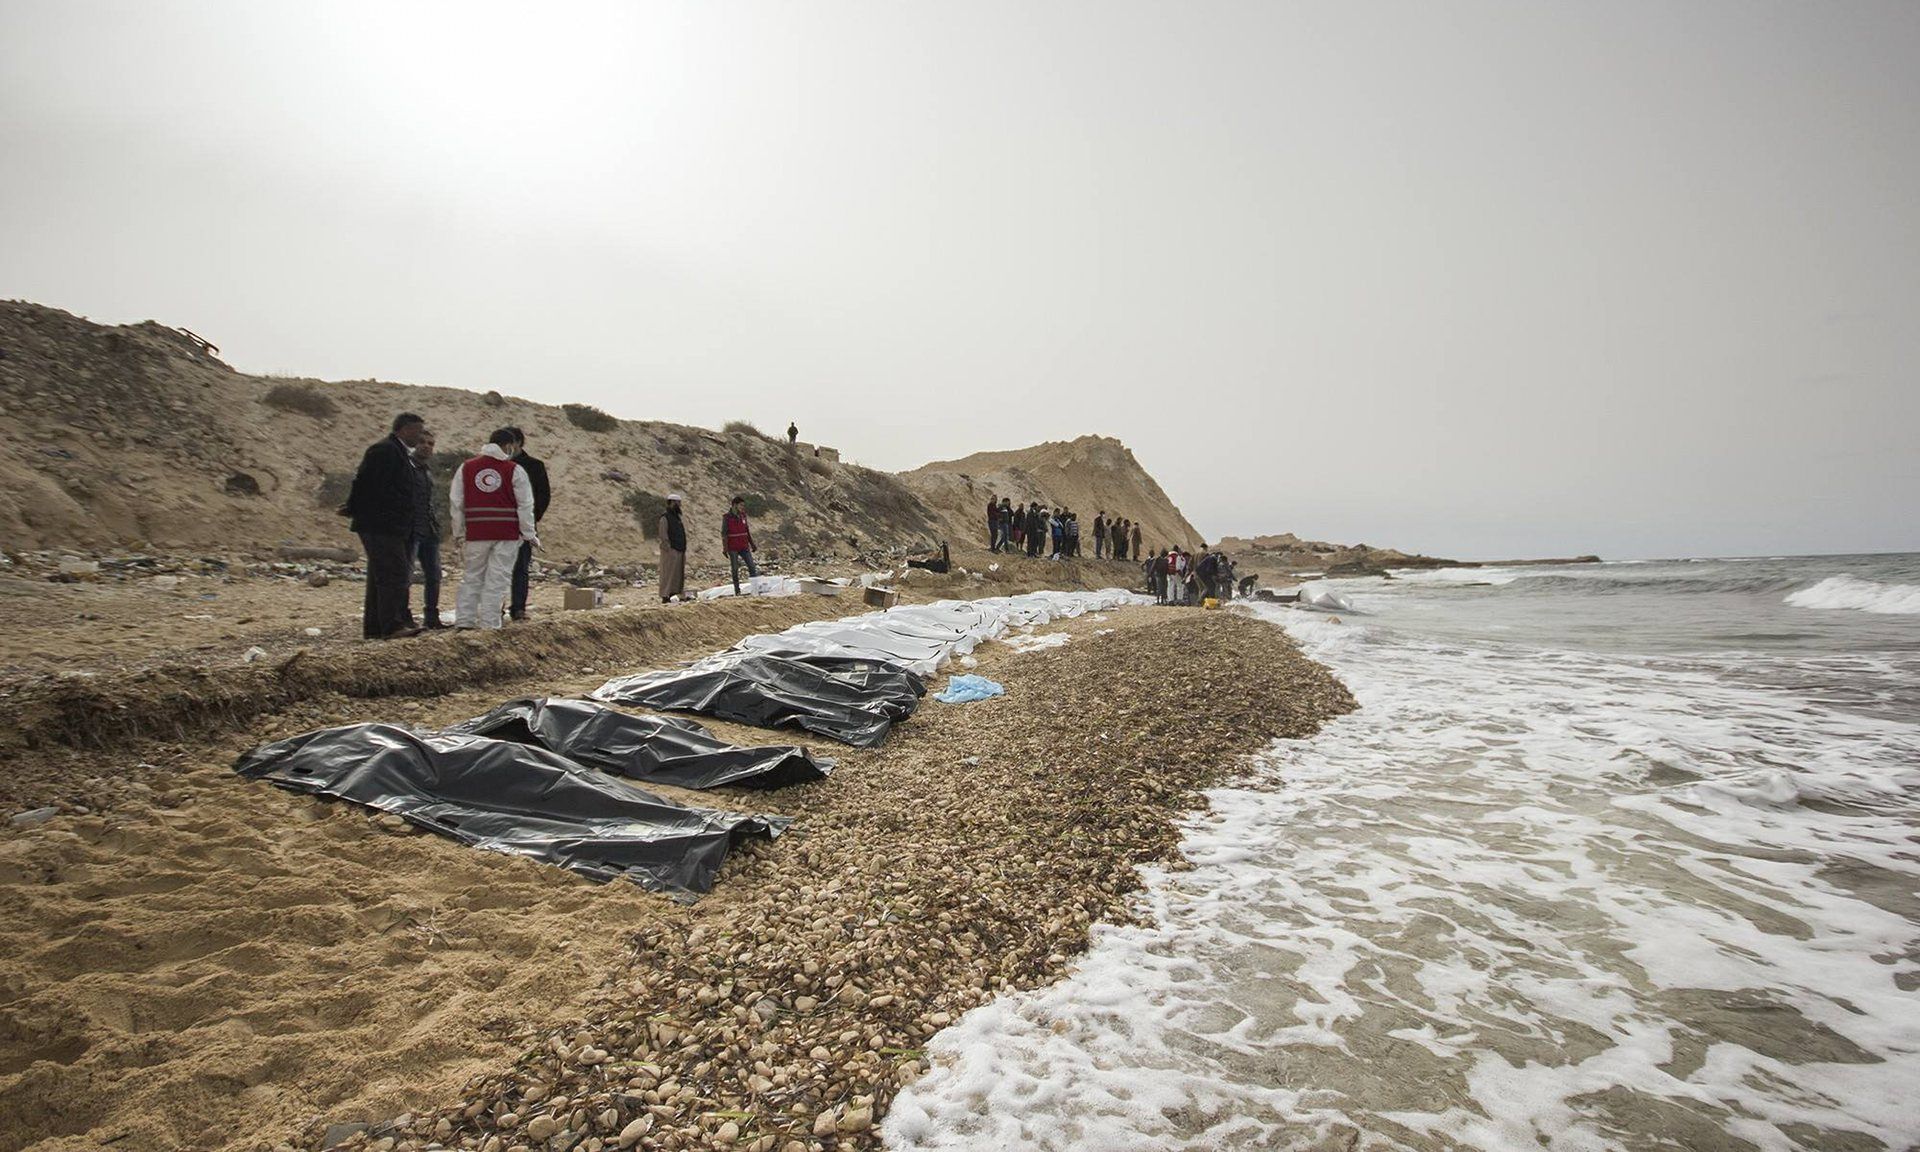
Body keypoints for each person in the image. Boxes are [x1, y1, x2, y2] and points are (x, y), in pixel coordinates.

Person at [344, 412, 427, 639]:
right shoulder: (385, 450)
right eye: (418, 431)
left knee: (380, 575)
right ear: (405, 429)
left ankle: (375, 628)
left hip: (386, 524)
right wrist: (354, 508)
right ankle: (392, 625)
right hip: (382, 525)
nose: (420, 437)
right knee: (394, 573)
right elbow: (364, 483)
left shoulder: (397, 451)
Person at [450, 428, 537, 630]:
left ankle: (464, 621)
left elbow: (456, 503)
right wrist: (529, 533)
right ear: (509, 446)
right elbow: (525, 505)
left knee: (472, 577)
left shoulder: (466, 468)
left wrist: (458, 532)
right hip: (506, 533)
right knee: (497, 580)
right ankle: (490, 624)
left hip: (477, 532)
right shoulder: (514, 470)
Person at [505, 428, 550, 622]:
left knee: (521, 568)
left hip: (524, 525)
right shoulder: (497, 466)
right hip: (500, 524)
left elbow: (543, 495)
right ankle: (494, 609)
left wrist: (531, 519)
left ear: (519, 443)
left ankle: (518, 608)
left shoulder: (534, 466)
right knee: (497, 569)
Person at [407, 430, 444, 629]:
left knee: (434, 573)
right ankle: (404, 616)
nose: (426, 446)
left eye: (430, 443)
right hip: (411, 529)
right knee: (406, 575)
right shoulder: (406, 467)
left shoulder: (425, 470)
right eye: (422, 442)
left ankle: (431, 616)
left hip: (428, 529)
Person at [723, 495, 758, 594]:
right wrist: (725, 548)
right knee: (735, 569)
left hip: (744, 546)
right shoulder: (727, 518)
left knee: (752, 567)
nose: (743, 507)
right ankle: (737, 590)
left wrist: (752, 544)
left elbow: (747, 531)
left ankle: (755, 589)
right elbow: (724, 533)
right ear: (735, 505)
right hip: (733, 547)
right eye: (741, 505)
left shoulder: (743, 516)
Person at [657, 493, 688, 602]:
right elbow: (663, 535)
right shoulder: (665, 518)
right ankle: (665, 595)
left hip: (679, 549)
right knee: (668, 573)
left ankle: (675, 594)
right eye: (677, 503)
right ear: (672, 503)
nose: (679, 505)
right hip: (670, 551)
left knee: (677, 574)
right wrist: (668, 549)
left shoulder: (677, 517)